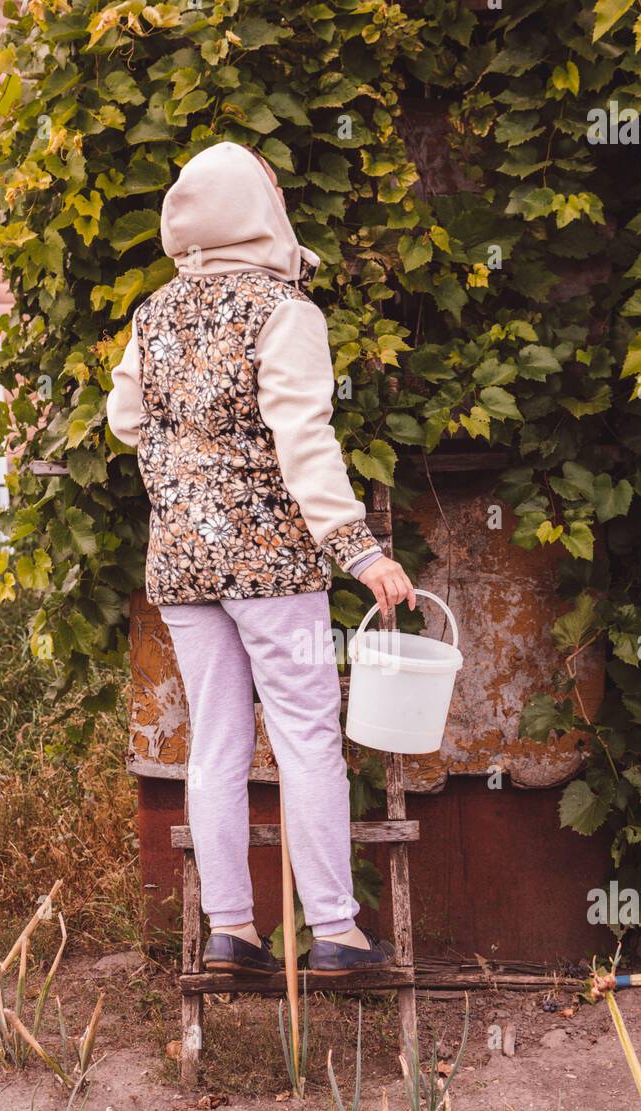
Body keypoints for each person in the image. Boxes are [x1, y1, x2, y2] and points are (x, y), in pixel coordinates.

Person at [107, 140, 415, 975]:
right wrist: (361, 553)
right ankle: (337, 935)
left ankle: (230, 930)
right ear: (257, 209)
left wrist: (190, 463)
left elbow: (123, 422)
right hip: (272, 565)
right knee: (308, 737)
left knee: (214, 744)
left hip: (179, 564)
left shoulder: (153, 314)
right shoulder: (284, 310)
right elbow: (304, 440)